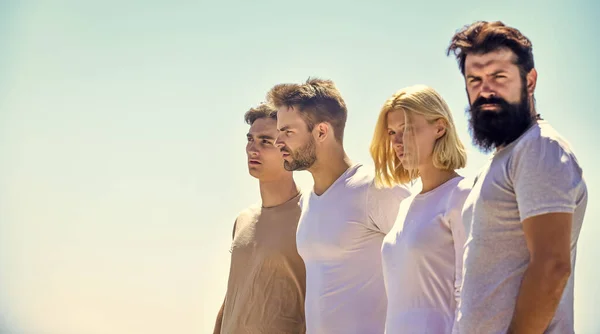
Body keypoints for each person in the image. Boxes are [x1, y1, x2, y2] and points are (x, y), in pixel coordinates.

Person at [447, 21, 588, 333]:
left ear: (530, 80)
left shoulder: (539, 148)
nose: (485, 90)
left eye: (499, 77)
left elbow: (552, 267)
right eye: (475, 80)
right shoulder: (505, 158)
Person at [267, 77, 411, 334]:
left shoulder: (375, 188)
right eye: (279, 132)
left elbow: (429, 270)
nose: (279, 142)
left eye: (287, 132)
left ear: (322, 131)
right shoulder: (310, 201)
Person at [370, 84, 471, 333]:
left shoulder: (463, 195)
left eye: (406, 130)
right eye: (392, 132)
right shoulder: (406, 205)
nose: (396, 142)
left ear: (439, 127)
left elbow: (469, 292)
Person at [213, 103, 306, 334]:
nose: (253, 149)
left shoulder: (310, 216)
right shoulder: (243, 220)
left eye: (265, 141)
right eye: (250, 139)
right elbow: (234, 295)